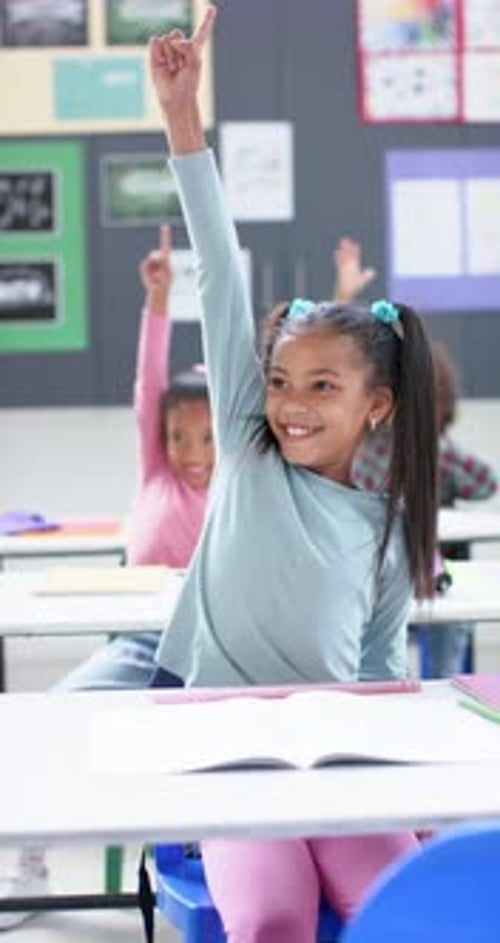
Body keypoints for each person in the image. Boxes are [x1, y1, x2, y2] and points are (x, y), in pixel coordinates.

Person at [147, 7, 439, 941]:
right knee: (272, 915)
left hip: (332, 760)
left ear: (377, 407)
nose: (292, 403)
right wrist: (183, 121)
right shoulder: (246, 443)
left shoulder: (386, 534)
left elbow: (381, 675)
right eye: (280, 381)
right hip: (226, 749)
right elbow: (222, 282)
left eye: (321, 385)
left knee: (406, 902)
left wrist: (407, 786)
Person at [0, 229, 215, 929]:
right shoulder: (156, 473)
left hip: (214, 658)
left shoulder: (239, 487)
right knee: (46, 721)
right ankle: (27, 859)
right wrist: (158, 300)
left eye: (209, 437)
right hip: (141, 647)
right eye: (180, 436)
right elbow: (148, 385)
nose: (193, 452)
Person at [332, 236, 498, 677]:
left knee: (435, 627)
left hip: (421, 578)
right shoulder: (369, 449)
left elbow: (486, 482)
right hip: (378, 577)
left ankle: (440, 682)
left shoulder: (430, 453)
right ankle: (438, 681)